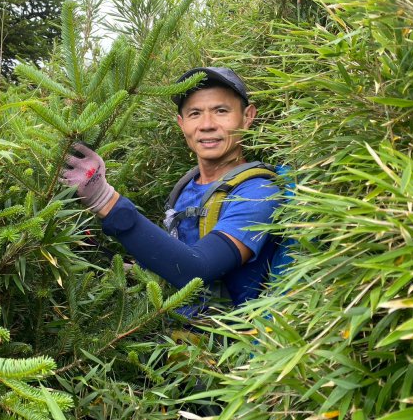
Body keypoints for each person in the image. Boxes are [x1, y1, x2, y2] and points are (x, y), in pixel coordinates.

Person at [60, 67, 280, 307]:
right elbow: (174, 256)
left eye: (221, 111)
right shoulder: (187, 186)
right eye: (195, 113)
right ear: (181, 123)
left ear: (248, 116)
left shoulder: (258, 194)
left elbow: (196, 270)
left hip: (224, 341)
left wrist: (104, 200)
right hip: (175, 333)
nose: (207, 124)